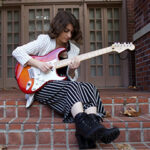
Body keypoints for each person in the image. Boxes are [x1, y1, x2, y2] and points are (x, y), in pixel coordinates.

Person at [12, 10, 120, 149]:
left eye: (71, 32)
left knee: (89, 87)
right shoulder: (45, 41)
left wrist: (73, 69)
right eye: (66, 31)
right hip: (40, 85)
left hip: (63, 87)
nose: (69, 35)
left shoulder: (73, 50)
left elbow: (71, 78)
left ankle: (92, 130)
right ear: (58, 28)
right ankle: (89, 131)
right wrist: (38, 64)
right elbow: (17, 52)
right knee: (73, 87)